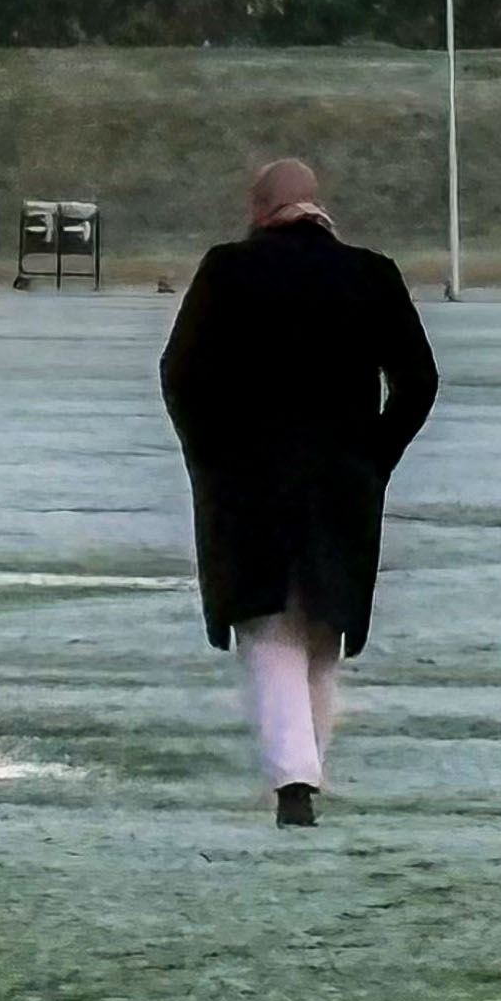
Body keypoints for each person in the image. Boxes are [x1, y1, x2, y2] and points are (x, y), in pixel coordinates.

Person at [160, 158, 439, 827]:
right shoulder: (371, 274)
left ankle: (294, 781)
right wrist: (376, 456)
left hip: (248, 483)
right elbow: (419, 380)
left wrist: (210, 454)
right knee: (321, 632)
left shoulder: (227, 270)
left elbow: (181, 374)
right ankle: (306, 771)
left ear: (262, 207)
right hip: (344, 483)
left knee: (268, 628)